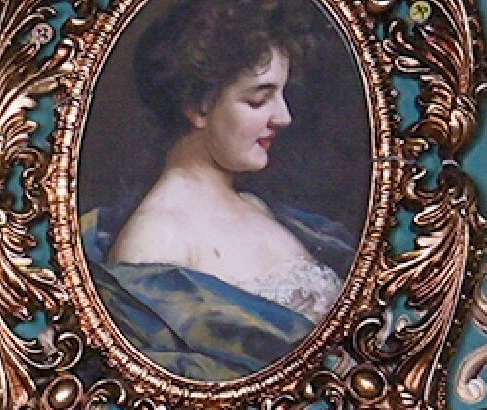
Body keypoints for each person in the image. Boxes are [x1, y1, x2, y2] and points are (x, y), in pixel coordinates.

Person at [93, 0, 347, 385]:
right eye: (258, 99)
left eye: (282, 95)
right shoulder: (154, 240)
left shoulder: (257, 205)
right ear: (198, 106)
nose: (284, 117)